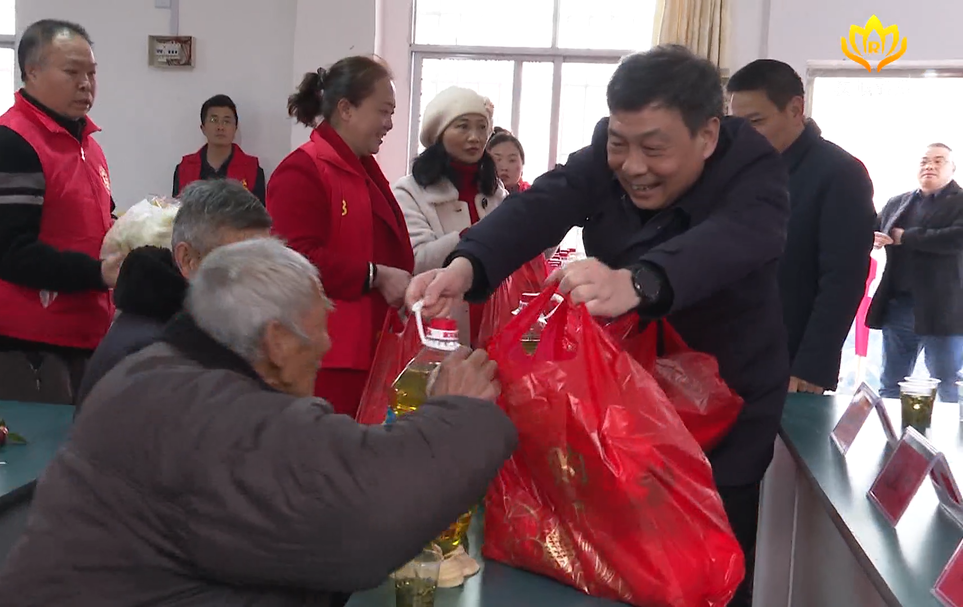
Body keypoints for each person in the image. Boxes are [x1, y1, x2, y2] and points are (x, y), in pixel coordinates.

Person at [406, 44, 791, 607]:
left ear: (707, 136)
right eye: (619, 144)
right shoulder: (608, 153)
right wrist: (466, 265)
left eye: (654, 149)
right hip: (620, 396)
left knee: (703, 560)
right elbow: (547, 202)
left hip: (722, 398)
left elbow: (734, 239)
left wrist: (637, 281)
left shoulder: (752, 168)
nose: (632, 166)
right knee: (614, 543)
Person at [0, 238, 517, 607]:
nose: (327, 345)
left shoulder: (160, 370)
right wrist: (459, 414)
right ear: (278, 343)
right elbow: (362, 517)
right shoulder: (204, 414)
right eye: (319, 330)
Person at [0, 19, 120, 405]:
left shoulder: (85, 143)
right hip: (30, 340)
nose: (86, 83)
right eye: (72, 72)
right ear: (31, 72)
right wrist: (100, 272)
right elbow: (8, 252)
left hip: (85, 330)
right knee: (42, 458)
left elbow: (97, 224)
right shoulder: (7, 143)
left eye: (91, 73)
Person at [266, 56, 415, 418]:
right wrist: (375, 275)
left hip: (371, 349)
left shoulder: (360, 167)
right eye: (383, 111)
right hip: (330, 357)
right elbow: (294, 258)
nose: (390, 124)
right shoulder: (305, 169)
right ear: (346, 109)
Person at [727, 59, 876, 395]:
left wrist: (811, 367)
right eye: (736, 123)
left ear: (795, 109)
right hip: (731, 350)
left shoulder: (839, 174)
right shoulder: (739, 171)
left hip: (790, 360)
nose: (743, 135)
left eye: (756, 121)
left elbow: (843, 281)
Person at [74, 179, 272, 409]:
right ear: (188, 260)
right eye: (238, 262)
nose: (258, 281)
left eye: (265, 262)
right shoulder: (149, 355)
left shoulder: (211, 331)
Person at [393, 86, 505, 345]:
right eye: (463, 127)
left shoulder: (495, 191)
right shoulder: (409, 191)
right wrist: (474, 238)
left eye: (482, 127)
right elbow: (417, 261)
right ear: (439, 134)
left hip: (493, 322)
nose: (475, 137)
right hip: (437, 325)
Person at [867, 143, 963, 402]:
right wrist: (872, 237)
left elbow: (956, 239)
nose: (929, 166)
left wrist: (906, 237)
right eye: (924, 161)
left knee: (949, 385)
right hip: (899, 306)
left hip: (943, 310)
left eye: (939, 161)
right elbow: (873, 228)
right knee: (890, 385)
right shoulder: (898, 202)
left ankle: (950, 443)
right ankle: (890, 441)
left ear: (952, 169)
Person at [171, 94, 266, 203]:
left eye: (226, 121)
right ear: (203, 128)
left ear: (235, 128)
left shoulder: (252, 169)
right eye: (213, 120)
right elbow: (176, 213)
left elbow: (259, 217)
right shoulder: (184, 168)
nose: (220, 127)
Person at [487, 127, 530, 193]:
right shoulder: (478, 196)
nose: (504, 168)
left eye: (512, 160)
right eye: (497, 159)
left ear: (522, 164)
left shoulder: (532, 196)